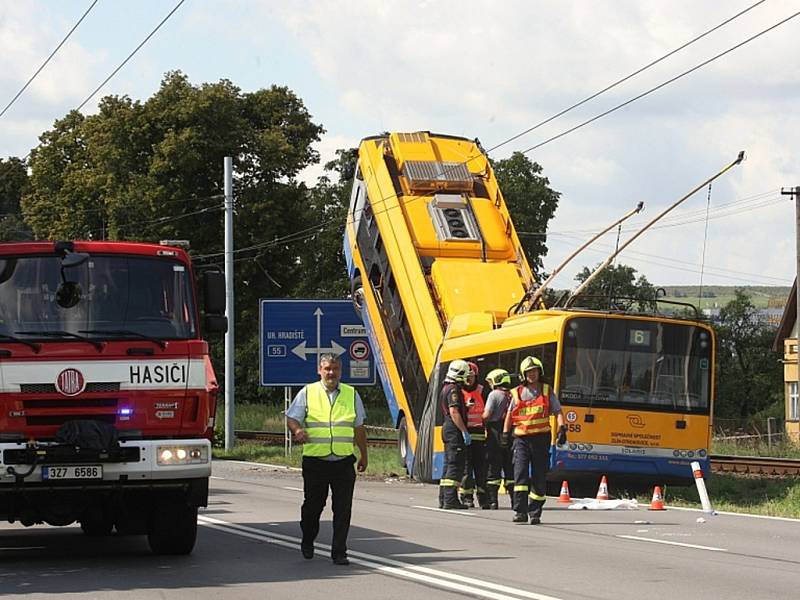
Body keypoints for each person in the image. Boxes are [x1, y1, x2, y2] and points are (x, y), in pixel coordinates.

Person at [286, 353, 368, 565]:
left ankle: (339, 552)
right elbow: (292, 417)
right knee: (313, 506)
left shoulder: (351, 394)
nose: (331, 373)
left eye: (335, 369)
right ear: (319, 370)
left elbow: (359, 427)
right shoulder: (308, 392)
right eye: (327, 369)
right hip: (316, 461)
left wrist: (363, 455)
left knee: (343, 509)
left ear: (340, 370)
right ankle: (307, 539)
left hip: (343, 461)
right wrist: (297, 431)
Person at [502, 356, 567, 525]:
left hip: (541, 439)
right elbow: (510, 414)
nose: (532, 374)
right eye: (529, 372)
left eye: (535, 371)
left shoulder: (546, 390)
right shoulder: (516, 392)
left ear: (540, 372)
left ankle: (535, 512)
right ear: (524, 375)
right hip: (521, 439)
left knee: (539, 475)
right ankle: (520, 511)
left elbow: (558, 411)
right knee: (520, 474)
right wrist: (505, 433)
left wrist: (562, 428)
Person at [438, 359, 472, 510]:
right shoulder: (453, 390)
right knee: (455, 465)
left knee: (448, 465)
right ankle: (451, 499)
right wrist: (464, 431)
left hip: (447, 428)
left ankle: (444, 498)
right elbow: (454, 411)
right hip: (454, 430)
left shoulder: (445, 387)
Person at [459, 362, 490, 509]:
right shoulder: (458, 392)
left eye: (471, 376)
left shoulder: (483, 391)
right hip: (465, 434)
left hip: (479, 435)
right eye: (466, 376)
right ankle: (466, 497)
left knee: (481, 469)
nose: (469, 379)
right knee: (466, 469)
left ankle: (484, 498)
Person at [482, 368, 514, 510]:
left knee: (493, 467)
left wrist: (480, 418)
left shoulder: (494, 394)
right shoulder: (513, 394)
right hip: (511, 433)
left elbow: (487, 415)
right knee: (510, 467)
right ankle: (515, 501)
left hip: (495, 432)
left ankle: (493, 501)